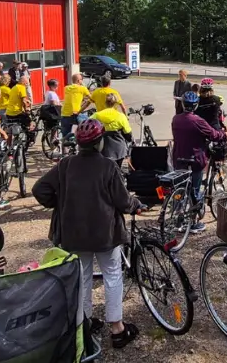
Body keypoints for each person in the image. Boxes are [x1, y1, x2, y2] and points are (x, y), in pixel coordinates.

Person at [32, 119, 143, 350]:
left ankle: (85, 324)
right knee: (112, 275)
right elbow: (123, 201)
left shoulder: (66, 165)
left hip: (74, 234)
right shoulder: (108, 166)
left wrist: (58, 203)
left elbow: (39, 189)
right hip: (105, 235)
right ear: (100, 143)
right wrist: (136, 205)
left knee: (82, 278)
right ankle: (117, 329)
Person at [171, 91, 227, 232]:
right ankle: (194, 222)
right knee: (195, 189)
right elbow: (214, 135)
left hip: (179, 157)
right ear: (195, 105)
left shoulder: (176, 119)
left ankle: (177, 218)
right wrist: (226, 134)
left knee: (180, 188)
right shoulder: (198, 121)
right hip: (195, 159)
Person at [92, 93, 132, 164]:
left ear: (105, 103)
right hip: (119, 150)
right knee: (117, 167)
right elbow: (128, 134)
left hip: (102, 149)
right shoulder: (121, 116)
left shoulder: (97, 115)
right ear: (115, 104)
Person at [5, 74, 35, 147]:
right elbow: (24, 101)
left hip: (9, 112)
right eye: (27, 83)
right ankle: (31, 140)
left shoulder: (14, 87)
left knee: (10, 132)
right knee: (31, 123)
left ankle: (8, 147)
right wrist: (27, 111)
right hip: (17, 112)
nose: (27, 85)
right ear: (23, 82)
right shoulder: (21, 87)